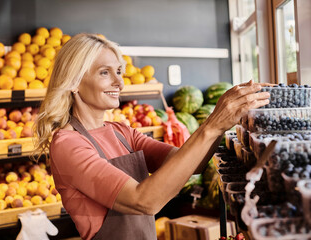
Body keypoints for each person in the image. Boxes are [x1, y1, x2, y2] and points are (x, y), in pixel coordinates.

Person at [33, 33, 270, 240]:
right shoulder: (67, 144)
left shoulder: (121, 131)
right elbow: (144, 201)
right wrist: (212, 123)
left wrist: (222, 124)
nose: (119, 82)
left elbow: (192, 164)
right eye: (105, 73)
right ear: (74, 82)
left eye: (118, 71)